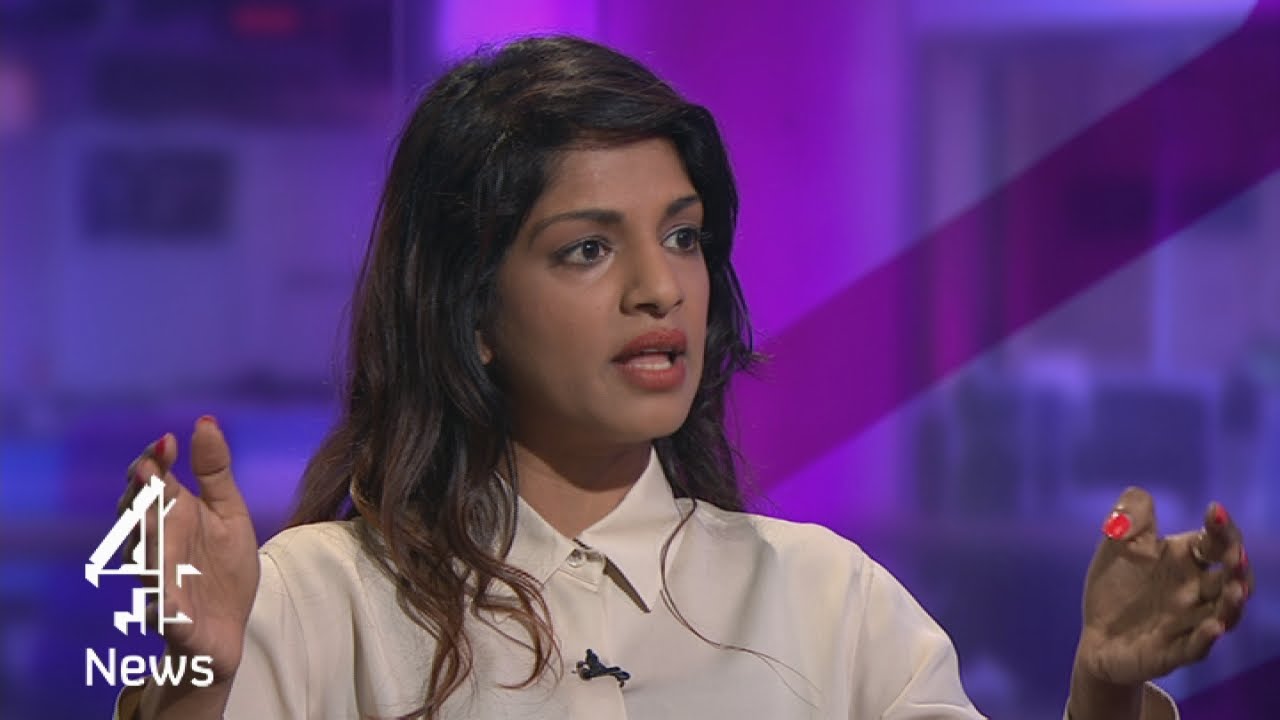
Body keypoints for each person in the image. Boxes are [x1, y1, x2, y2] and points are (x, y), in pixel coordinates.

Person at [112, 35, 1253, 719]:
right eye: (586, 249)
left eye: (684, 235)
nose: (660, 288)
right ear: (471, 314)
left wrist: (1102, 693)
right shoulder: (319, 600)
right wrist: (197, 679)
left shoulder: (829, 601)